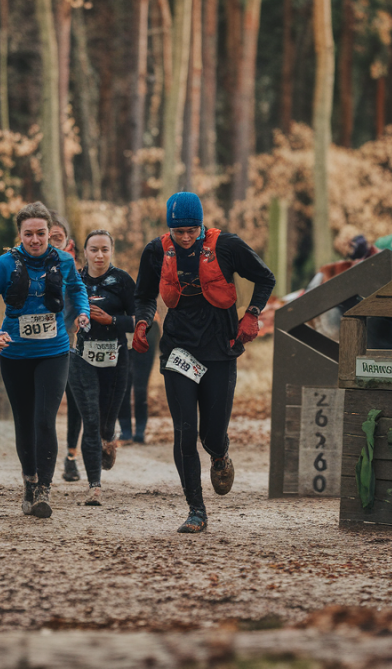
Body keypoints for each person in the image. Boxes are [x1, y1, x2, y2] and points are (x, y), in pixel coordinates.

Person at [133, 192, 275, 533]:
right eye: (179, 231)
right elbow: (144, 295)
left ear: (201, 225)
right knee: (184, 432)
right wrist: (142, 321)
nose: (185, 237)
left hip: (219, 349)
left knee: (211, 433)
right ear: (170, 228)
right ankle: (196, 510)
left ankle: (220, 453)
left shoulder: (227, 246)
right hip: (179, 350)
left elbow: (265, 277)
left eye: (192, 230)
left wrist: (252, 314)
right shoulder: (155, 251)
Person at [0, 202, 89, 519]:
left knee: (44, 418)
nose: (36, 240)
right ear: (20, 235)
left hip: (54, 352)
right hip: (15, 354)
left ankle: (44, 490)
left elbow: (78, 289)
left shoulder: (64, 261)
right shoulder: (4, 264)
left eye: (41, 233)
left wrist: (82, 312)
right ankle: (30, 479)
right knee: (24, 420)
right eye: (29, 234)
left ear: (50, 233)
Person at [65, 230, 137, 505]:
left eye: (104, 250)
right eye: (93, 249)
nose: (99, 255)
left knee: (106, 423)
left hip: (116, 359)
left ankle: (111, 436)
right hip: (81, 358)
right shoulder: (74, 281)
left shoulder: (121, 281)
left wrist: (112, 321)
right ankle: (94, 486)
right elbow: (60, 313)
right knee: (91, 421)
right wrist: (70, 323)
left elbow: (142, 321)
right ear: (84, 252)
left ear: (111, 251)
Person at [49, 216, 85, 483]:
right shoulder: (26, 268)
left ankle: (71, 457)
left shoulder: (76, 271)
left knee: (75, 401)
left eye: (57, 238)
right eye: (47, 237)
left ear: (69, 242)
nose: (51, 243)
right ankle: (42, 456)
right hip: (41, 345)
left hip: (71, 343)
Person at [117, 320, 158, 443]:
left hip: (146, 328)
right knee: (123, 384)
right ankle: (126, 431)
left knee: (141, 387)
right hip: (123, 328)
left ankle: (140, 432)